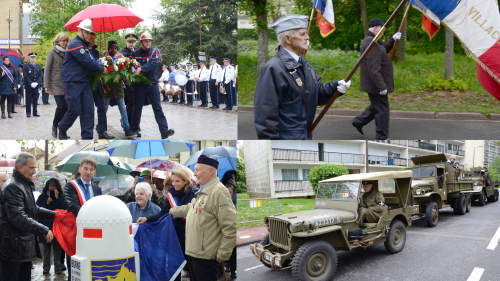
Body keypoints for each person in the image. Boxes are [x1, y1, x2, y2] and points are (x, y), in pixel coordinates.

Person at [254, 14, 351, 140]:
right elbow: (265, 114)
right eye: (302, 34)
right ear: (288, 38)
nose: (308, 37)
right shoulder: (273, 68)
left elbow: (316, 94)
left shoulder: (304, 64)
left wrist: (336, 87)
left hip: (304, 137)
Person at [169, 156, 236, 281]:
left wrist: (223, 253)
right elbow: (191, 207)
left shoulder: (219, 191)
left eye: (198, 170)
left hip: (206, 257)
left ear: (210, 171)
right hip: (195, 253)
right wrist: (171, 211)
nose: (194, 174)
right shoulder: (204, 190)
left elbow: (230, 225)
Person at [0, 152, 55, 281]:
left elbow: (33, 208)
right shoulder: (13, 186)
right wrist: (44, 230)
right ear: (20, 167)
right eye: (32, 168)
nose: (34, 172)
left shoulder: (24, 184)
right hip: (13, 250)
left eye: (35, 168)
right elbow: (18, 217)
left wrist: (55, 214)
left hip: (22, 248)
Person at [137, 169, 198, 280]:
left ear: (186, 181)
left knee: (194, 270)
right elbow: (163, 213)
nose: (174, 184)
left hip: (192, 236)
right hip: (175, 237)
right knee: (176, 268)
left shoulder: (195, 193)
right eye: (173, 181)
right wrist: (147, 218)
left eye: (177, 181)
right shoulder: (170, 195)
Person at [57, 19, 109, 140]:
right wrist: (102, 70)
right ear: (80, 31)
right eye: (87, 32)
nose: (89, 35)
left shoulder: (84, 45)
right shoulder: (76, 44)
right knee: (74, 109)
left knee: (88, 111)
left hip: (85, 82)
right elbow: (87, 61)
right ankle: (62, 127)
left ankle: (87, 138)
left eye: (90, 32)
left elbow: (91, 61)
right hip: (72, 81)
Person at [352, 18, 401, 140]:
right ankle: (382, 137)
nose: (383, 32)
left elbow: (383, 51)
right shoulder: (371, 43)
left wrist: (393, 40)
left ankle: (359, 121)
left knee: (377, 107)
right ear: (376, 28)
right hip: (376, 85)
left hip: (375, 83)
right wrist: (382, 87)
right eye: (382, 29)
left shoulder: (374, 41)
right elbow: (374, 69)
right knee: (382, 111)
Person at [130, 32, 175, 139]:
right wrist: (133, 70)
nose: (148, 43)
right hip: (139, 84)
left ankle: (164, 130)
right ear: (141, 42)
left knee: (157, 107)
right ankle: (135, 128)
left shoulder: (155, 51)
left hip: (153, 84)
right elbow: (131, 65)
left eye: (149, 41)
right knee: (137, 107)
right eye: (146, 41)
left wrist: (140, 69)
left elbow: (153, 64)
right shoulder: (134, 53)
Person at [63, 156, 102, 281]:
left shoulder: (98, 189)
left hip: (93, 233)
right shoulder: (71, 186)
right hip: (76, 231)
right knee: (75, 266)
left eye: (91, 169)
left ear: (94, 172)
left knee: (91, 264)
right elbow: (74, 207)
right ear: (80, 169)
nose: (88, 172)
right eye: (85, 168)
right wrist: (91, 221)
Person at [102, 40, 136, 138]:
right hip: (107, 88)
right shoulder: (104, 59)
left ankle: (127, 129)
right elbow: (102, 75)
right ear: (108, 49)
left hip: (118, 88)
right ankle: (101, 128)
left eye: (115, 48)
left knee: (123, 109)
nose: (114, 50)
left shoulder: (121, 59)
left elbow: (126, 72)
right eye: (112, 48)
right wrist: (106, 86)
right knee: (104, 109)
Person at [35, 178, 66, 275]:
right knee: (46, 248)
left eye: (54, 186)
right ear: (47, 186)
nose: (52, 188)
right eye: (51, 186)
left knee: (57, 248)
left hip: (57, 225)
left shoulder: (61, 196)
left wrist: (57, 199)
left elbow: (63, 209)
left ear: (57, 187)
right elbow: (37, 209)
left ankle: (57, 267)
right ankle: (46, 268)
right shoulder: (42, 196)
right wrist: (46, 203)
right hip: (45, 225)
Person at [89, 35, 115, 140]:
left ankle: (102, 131)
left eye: (94, 39)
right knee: (89, 110)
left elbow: (98, 65)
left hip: (98, 83)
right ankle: (88, 132)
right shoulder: (84, 51)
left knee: (102, 108)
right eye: (91, 38)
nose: (93, 40)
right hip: (88, 84)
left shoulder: (95, 52)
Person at [45, 32, 70, 139]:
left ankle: (62, 129)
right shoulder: (51, 52)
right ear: (58, 41)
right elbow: (47, 69)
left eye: (66, 41)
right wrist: (46, 85)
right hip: (56, 83)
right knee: (61, 106)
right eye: (63, 41)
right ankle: (55, 126)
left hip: (67, 83)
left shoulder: (68, 52)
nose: (65, 43)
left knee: (66, 107)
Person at [119, 33, 139, 129]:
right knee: (130, 102)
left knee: (137, 103)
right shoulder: (122, 53)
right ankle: (127, 123)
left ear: (135, 43)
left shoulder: (138, 53)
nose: (131, 44)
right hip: (127, 82)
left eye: (133, 42)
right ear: (126, 42)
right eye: (129, 42)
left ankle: (135, 124)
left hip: (137, 82)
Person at [23, 53, 42, 117]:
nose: (33, 59)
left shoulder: (38, 65)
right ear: (29, 58)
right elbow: (25, 76)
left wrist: (37, 82)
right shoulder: (26, 65)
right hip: (29, 85)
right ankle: (28, 112)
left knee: (35, 99)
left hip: (36, 85)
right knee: (28, 99)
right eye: (32, 58)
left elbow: (41, 75)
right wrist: (31, 83)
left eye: (34, 58)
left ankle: (35, 112)